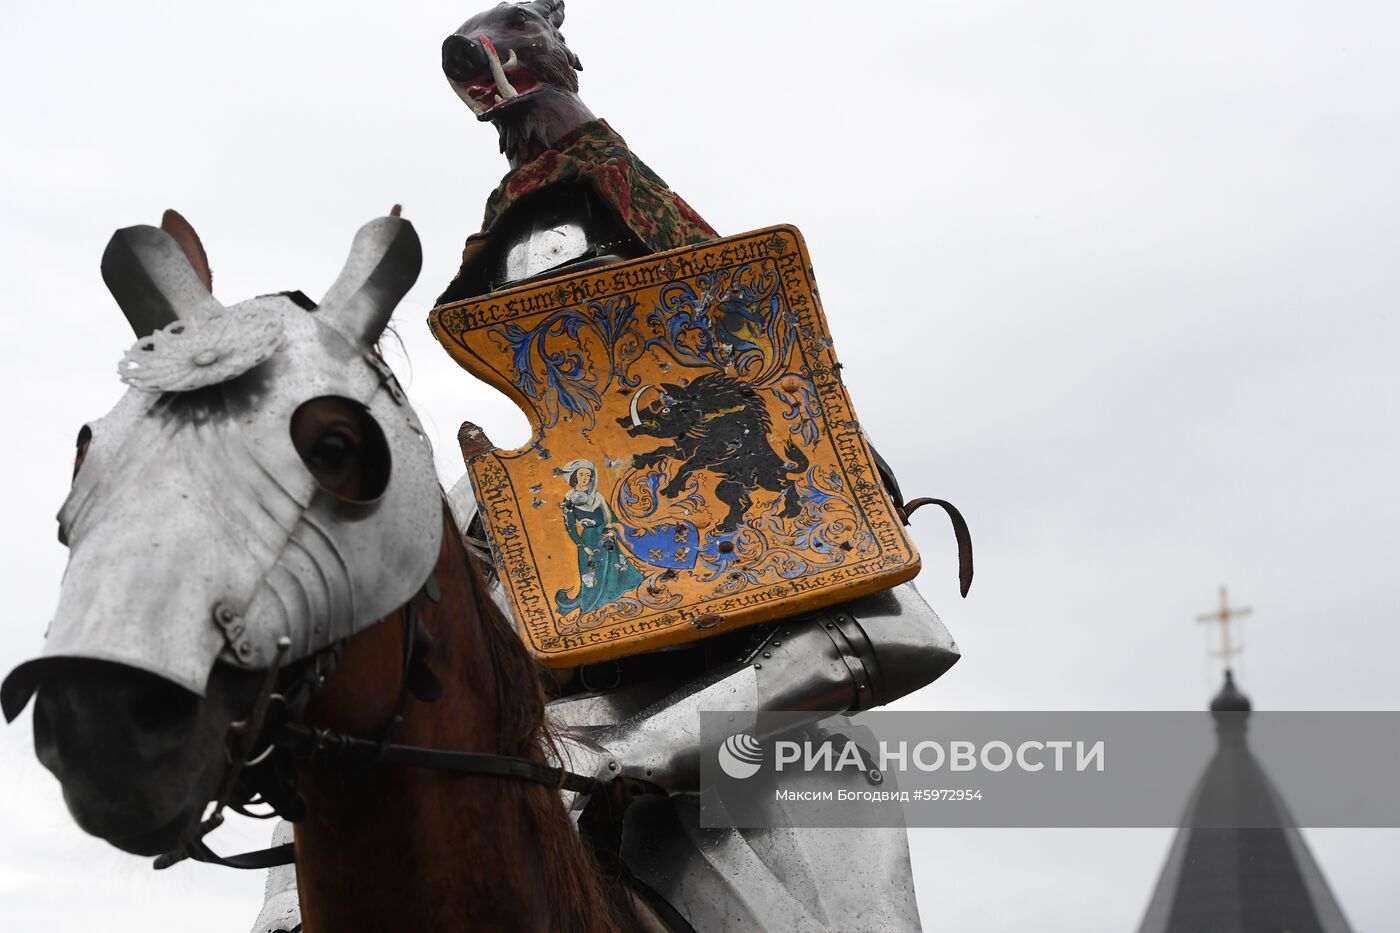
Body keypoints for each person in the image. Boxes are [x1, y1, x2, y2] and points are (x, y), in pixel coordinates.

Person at [555, 459, 643, 617]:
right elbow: (570, 526)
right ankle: (594, 601)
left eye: (588, 475)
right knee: (593, 570)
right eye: (581, 474)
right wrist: (582, 546)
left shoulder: (598, 496)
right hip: (588, 538)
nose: (584, 478)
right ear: (574, 477)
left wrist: (615, 530)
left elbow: (612, 517)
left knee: (614, 562)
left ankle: (612, 595)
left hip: (606, 536)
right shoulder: (569, 499)